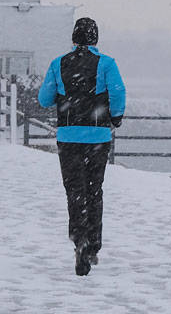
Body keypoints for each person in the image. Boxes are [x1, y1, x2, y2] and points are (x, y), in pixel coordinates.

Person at [38, 17, 127, 276]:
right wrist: (116, 117)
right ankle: (93, 245)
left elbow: (44, 99)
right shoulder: (107, 64)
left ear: (74, 38)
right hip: (98, 137)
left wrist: (65, 95)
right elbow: (118, 93)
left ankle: (79, 240)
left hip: (68, 137)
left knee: (74, 190)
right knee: (94, 190)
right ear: (96, 38)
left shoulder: (58, 63)